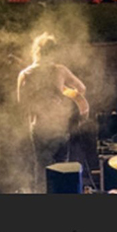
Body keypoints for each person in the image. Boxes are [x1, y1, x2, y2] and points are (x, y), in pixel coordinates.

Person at [17, 31, 88, 184]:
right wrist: (64, 93)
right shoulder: (60, 70)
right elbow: (81, 88)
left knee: (41, 167)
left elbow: (22, 105)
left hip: (38, 126)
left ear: (36, 51)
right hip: (59, 124)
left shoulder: (25, 74)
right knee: (62, 167)